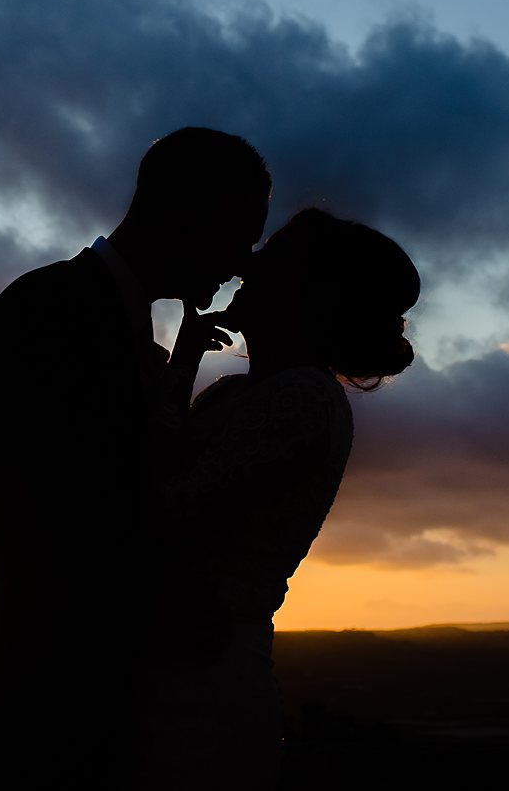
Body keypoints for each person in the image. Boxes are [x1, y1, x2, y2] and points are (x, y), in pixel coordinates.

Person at [0, 127, 271, 787]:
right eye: (240, 233)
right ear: (187, 211)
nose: (241, 261)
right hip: (7, 686)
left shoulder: (104, 316)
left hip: (32, 678)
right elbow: (22, 508)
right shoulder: (51, 309)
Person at [136, 207, 418, 789]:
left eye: (272, 257)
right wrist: (184, 360)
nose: (249, 265)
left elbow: (161, 507)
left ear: (308, 292)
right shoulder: (242, 391)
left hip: (200, 680)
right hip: (177, 663)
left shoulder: (302, 397)